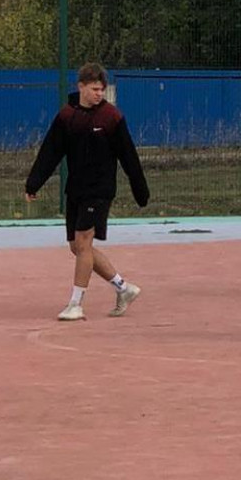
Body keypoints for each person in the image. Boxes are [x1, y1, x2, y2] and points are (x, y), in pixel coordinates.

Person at [24, 62, 150, 321]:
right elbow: (50, 152)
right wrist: (33, 183)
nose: (99, 94)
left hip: (100, 191)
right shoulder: (67, 116)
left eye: (102, 89)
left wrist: (141, 191)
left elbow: (129, 157)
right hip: (76, 190)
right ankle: (123, 288)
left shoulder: (111, 117)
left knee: (83, 243)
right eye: (94, 89)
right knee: (77, 247)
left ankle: (75, 304)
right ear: (80, 86)